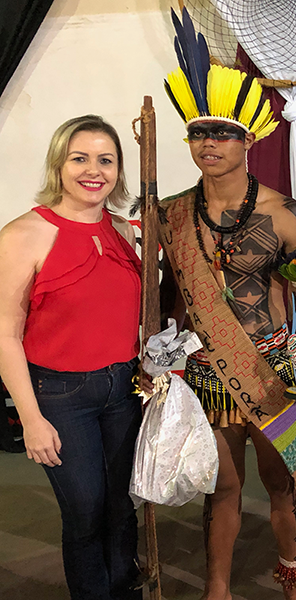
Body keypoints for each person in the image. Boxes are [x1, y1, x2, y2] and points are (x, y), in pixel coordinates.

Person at [158, 10, 296, 600]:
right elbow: (166, 299)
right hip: (207, 373)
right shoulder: (171, 216)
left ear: (249, 139)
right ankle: (218, 587)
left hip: (277, 372)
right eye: (199, 133)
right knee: (221, 488)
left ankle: (295, 582)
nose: (210, 143)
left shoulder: (283, 214)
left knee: (285, 488)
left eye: (223, 132)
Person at [0, 115, 142, 599]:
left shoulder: (125, 230)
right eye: (79, 158)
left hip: (125, 389)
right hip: (61, 395)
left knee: (124, 506)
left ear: (119, 170)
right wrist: (30, 418)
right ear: (58, 164)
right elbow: (4, 334)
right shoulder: (24, 235)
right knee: (84, 511)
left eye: (106, 160)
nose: (93, 170)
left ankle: (125, 590)